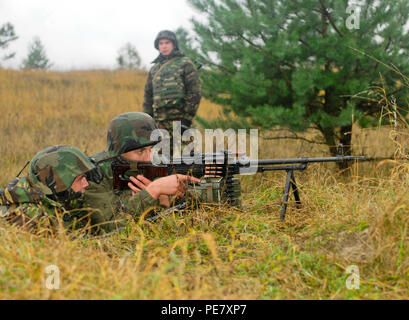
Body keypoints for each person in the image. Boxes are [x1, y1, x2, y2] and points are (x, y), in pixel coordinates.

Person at [83, 112, 200, 234]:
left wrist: (168, 200)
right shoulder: (93, 174)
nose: (149, 158)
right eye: (140, 151)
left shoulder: (159, 162)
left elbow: (192, 204)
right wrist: (153, 192)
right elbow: (113, 228)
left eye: (152, 149)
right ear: (119, 151)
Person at [0, 145, 95, 233]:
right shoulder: (29, 216)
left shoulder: (52, 197)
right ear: (58, 183)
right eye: (80, 179)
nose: (86, 183)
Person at [142, 30, 201, 154]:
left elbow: (194, 93)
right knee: (159, 161)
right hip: (159, 123)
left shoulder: (185, 64)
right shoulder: (154, 69)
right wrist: (147, 121)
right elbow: (148, 96)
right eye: (161, 43)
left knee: (188, 160)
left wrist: (186, 119)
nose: (164, 46)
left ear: (174, 44)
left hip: (179, 122)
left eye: (167, 42)